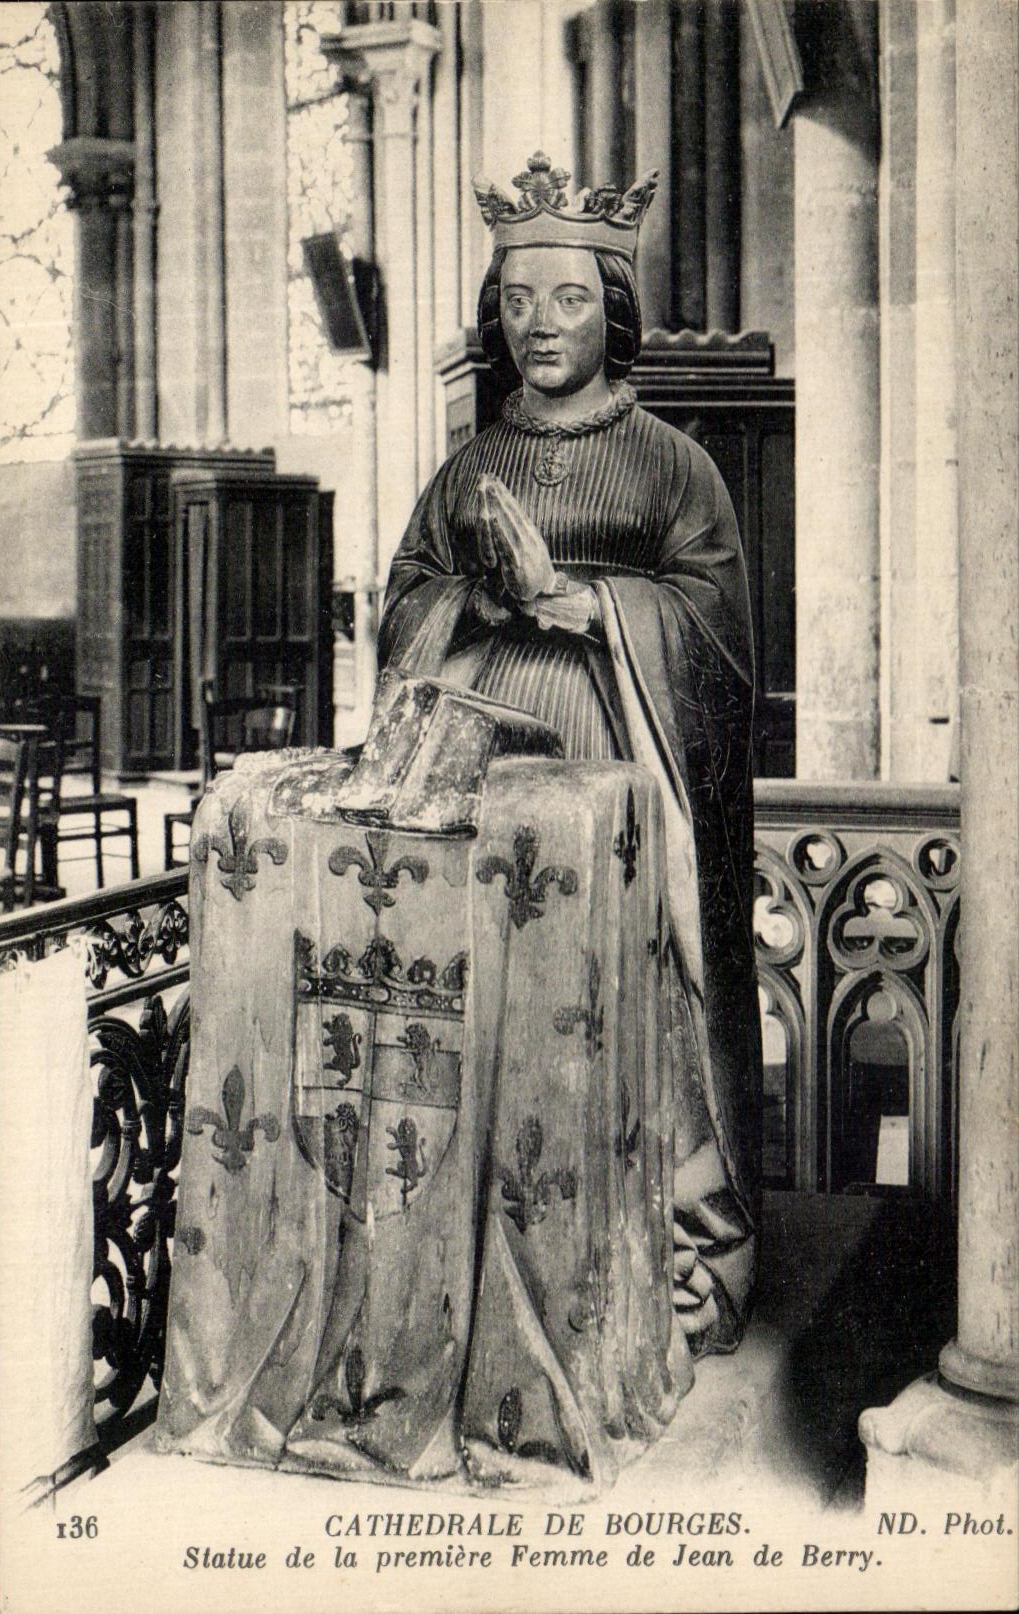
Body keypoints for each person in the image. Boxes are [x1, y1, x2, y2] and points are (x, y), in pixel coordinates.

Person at [378, 152, 762, 1355]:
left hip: (618, 758)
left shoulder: (673, 464)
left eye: (567, 299)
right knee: (491, 1005)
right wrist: (468, 603)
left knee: (620, 1003)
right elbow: (402, 605)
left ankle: (659, 1256)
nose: (537, 324)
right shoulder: (469, 467)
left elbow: (718, 632)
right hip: (481, 770)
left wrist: (587, 600)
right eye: (516, 300)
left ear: (614, 309)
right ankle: (492, 1261)